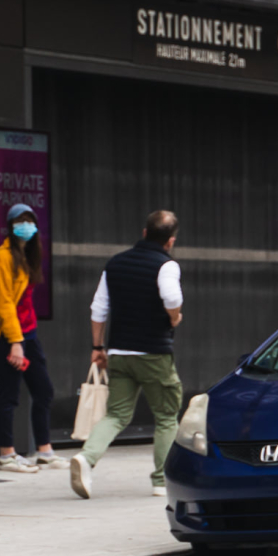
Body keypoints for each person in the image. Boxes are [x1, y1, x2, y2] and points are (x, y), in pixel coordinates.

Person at [70, 210, 184, 499]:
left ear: (144, 233)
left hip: (119, 351)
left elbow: (98, 308)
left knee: (116, 415)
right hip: (154, 354)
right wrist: (174, 317)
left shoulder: (115, 263)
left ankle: (87, 458)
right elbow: (172, 298)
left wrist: (98, 347)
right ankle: (161, 481)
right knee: (166, 416)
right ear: (170, 241)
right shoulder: (166, 265)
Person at [0, 202, 55, 473]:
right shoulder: (2, 258)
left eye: (30, 221)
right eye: (20, 222)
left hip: (27, 334)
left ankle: (45, 451)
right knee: (9, 395)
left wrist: (24, 338)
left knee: (43, 390)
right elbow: (3, 305)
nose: (27, 227)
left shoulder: (26, 256)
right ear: (10, 227)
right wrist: (15, 342)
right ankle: (6, 455)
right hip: (9, 337)